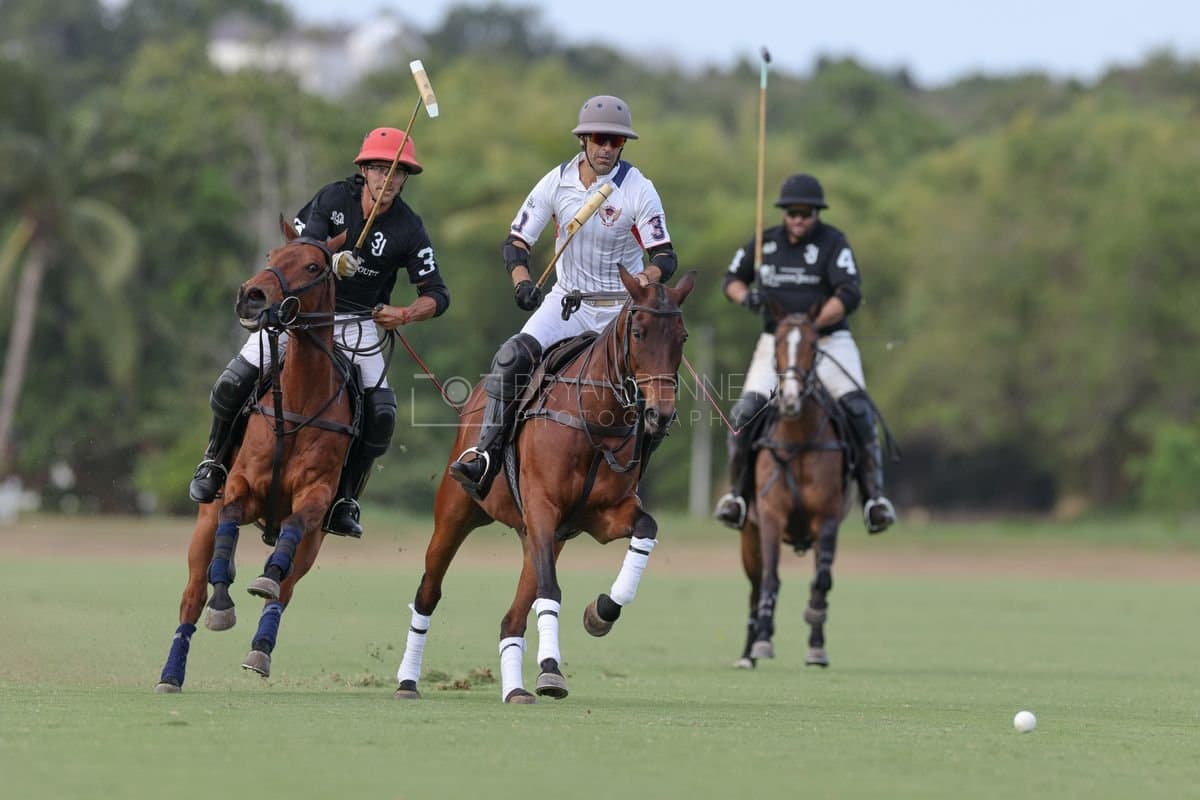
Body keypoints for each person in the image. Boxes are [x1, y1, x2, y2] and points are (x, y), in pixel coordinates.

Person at [188, 127, 450, 537]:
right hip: (303, 316)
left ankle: (345, 497)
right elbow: (301, 245)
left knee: (381, 413)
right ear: (364, 170)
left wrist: (403, 314)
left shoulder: (408, 227)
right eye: (381, 168)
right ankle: (214, 461)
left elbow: (436, 293)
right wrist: (331, 255)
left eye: (398, 172)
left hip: (359, 322)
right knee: (232, 382)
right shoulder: (333, 198)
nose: (389, 179)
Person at [447, 94, 677, 500]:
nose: (607, 148)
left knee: (654, 395)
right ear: (584, 140)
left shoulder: (639, 189)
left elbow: (664, 255)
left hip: (619, 311)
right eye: (600, 139)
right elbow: (516, 243)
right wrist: (522, 283)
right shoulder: (556, 182)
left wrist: (646, 277)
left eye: (616, 142)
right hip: (566, 302)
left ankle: (631, 478)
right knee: (512, 357)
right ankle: (485, 455)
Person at [713, 173, 896, 534]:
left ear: (817, 214)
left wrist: (811, 325)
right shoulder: (766, 243)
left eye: (806, 213)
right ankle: (737, 495)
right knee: (743, 413)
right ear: (784, 213)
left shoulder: (833, 243)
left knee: (859, 410)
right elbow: (731, 279)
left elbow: (849, 293)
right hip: (776, 344)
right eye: (792, 213)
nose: (798, 219)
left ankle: (874, 497)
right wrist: (745, 297)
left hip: (828, 342)